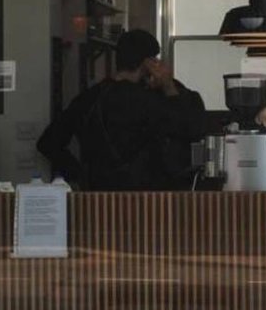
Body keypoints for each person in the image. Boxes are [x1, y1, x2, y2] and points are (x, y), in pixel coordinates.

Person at [37, 29, 207, 191]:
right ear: (148, 63)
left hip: (97, 196)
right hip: (148, 198)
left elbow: (48, 143)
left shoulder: (88, 99)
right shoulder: (149, 100)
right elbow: (192, 129)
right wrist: (169, 85)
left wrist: (79, 175)